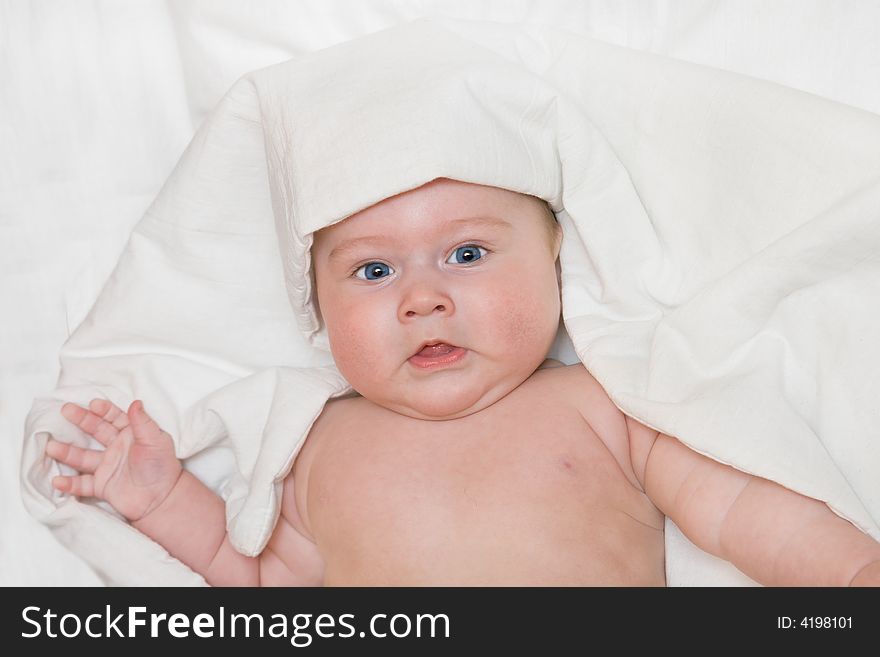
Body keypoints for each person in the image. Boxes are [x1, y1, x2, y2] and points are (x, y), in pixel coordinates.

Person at [46, 178, 880, 586]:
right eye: (372, 270)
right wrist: (161, 501)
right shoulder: (316, 443)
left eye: (468, 254)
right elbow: (262, 578)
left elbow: (739, 508)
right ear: (317, 310)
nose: (423, 297)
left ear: (554, 262)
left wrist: (851, 579)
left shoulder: (599, 404)